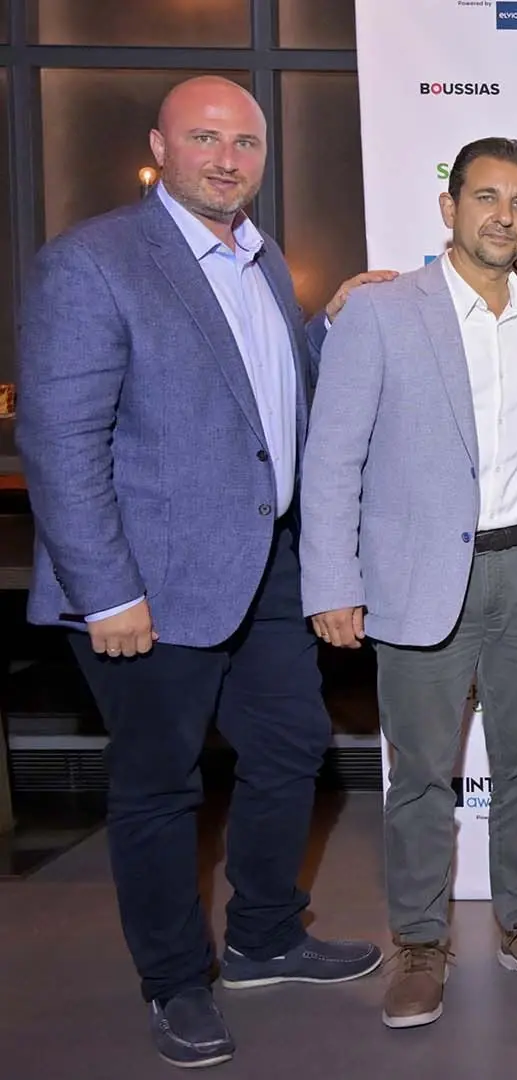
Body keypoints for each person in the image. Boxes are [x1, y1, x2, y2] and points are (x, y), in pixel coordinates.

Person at [14, 75, 392, 1068]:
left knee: (292, 745)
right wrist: (107, 591)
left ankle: (265, 936)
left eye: (246, 142)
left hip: (264, 565)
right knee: (160, 787)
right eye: (205, 138)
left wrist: (327, 327)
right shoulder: (93, 263)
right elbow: (60, 440)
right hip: (147, 582)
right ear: (160, 147)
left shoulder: (259, 260)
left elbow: (263, 395)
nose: (227, 159)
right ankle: (176, 981)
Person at [300, 137, 517, 1029]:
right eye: (486, 197)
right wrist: (332, 582)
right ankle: (421, 942)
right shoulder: (383, 312)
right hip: (423, 574)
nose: (503, 216)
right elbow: (332, 456)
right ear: (449, 207)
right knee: (423, 773)